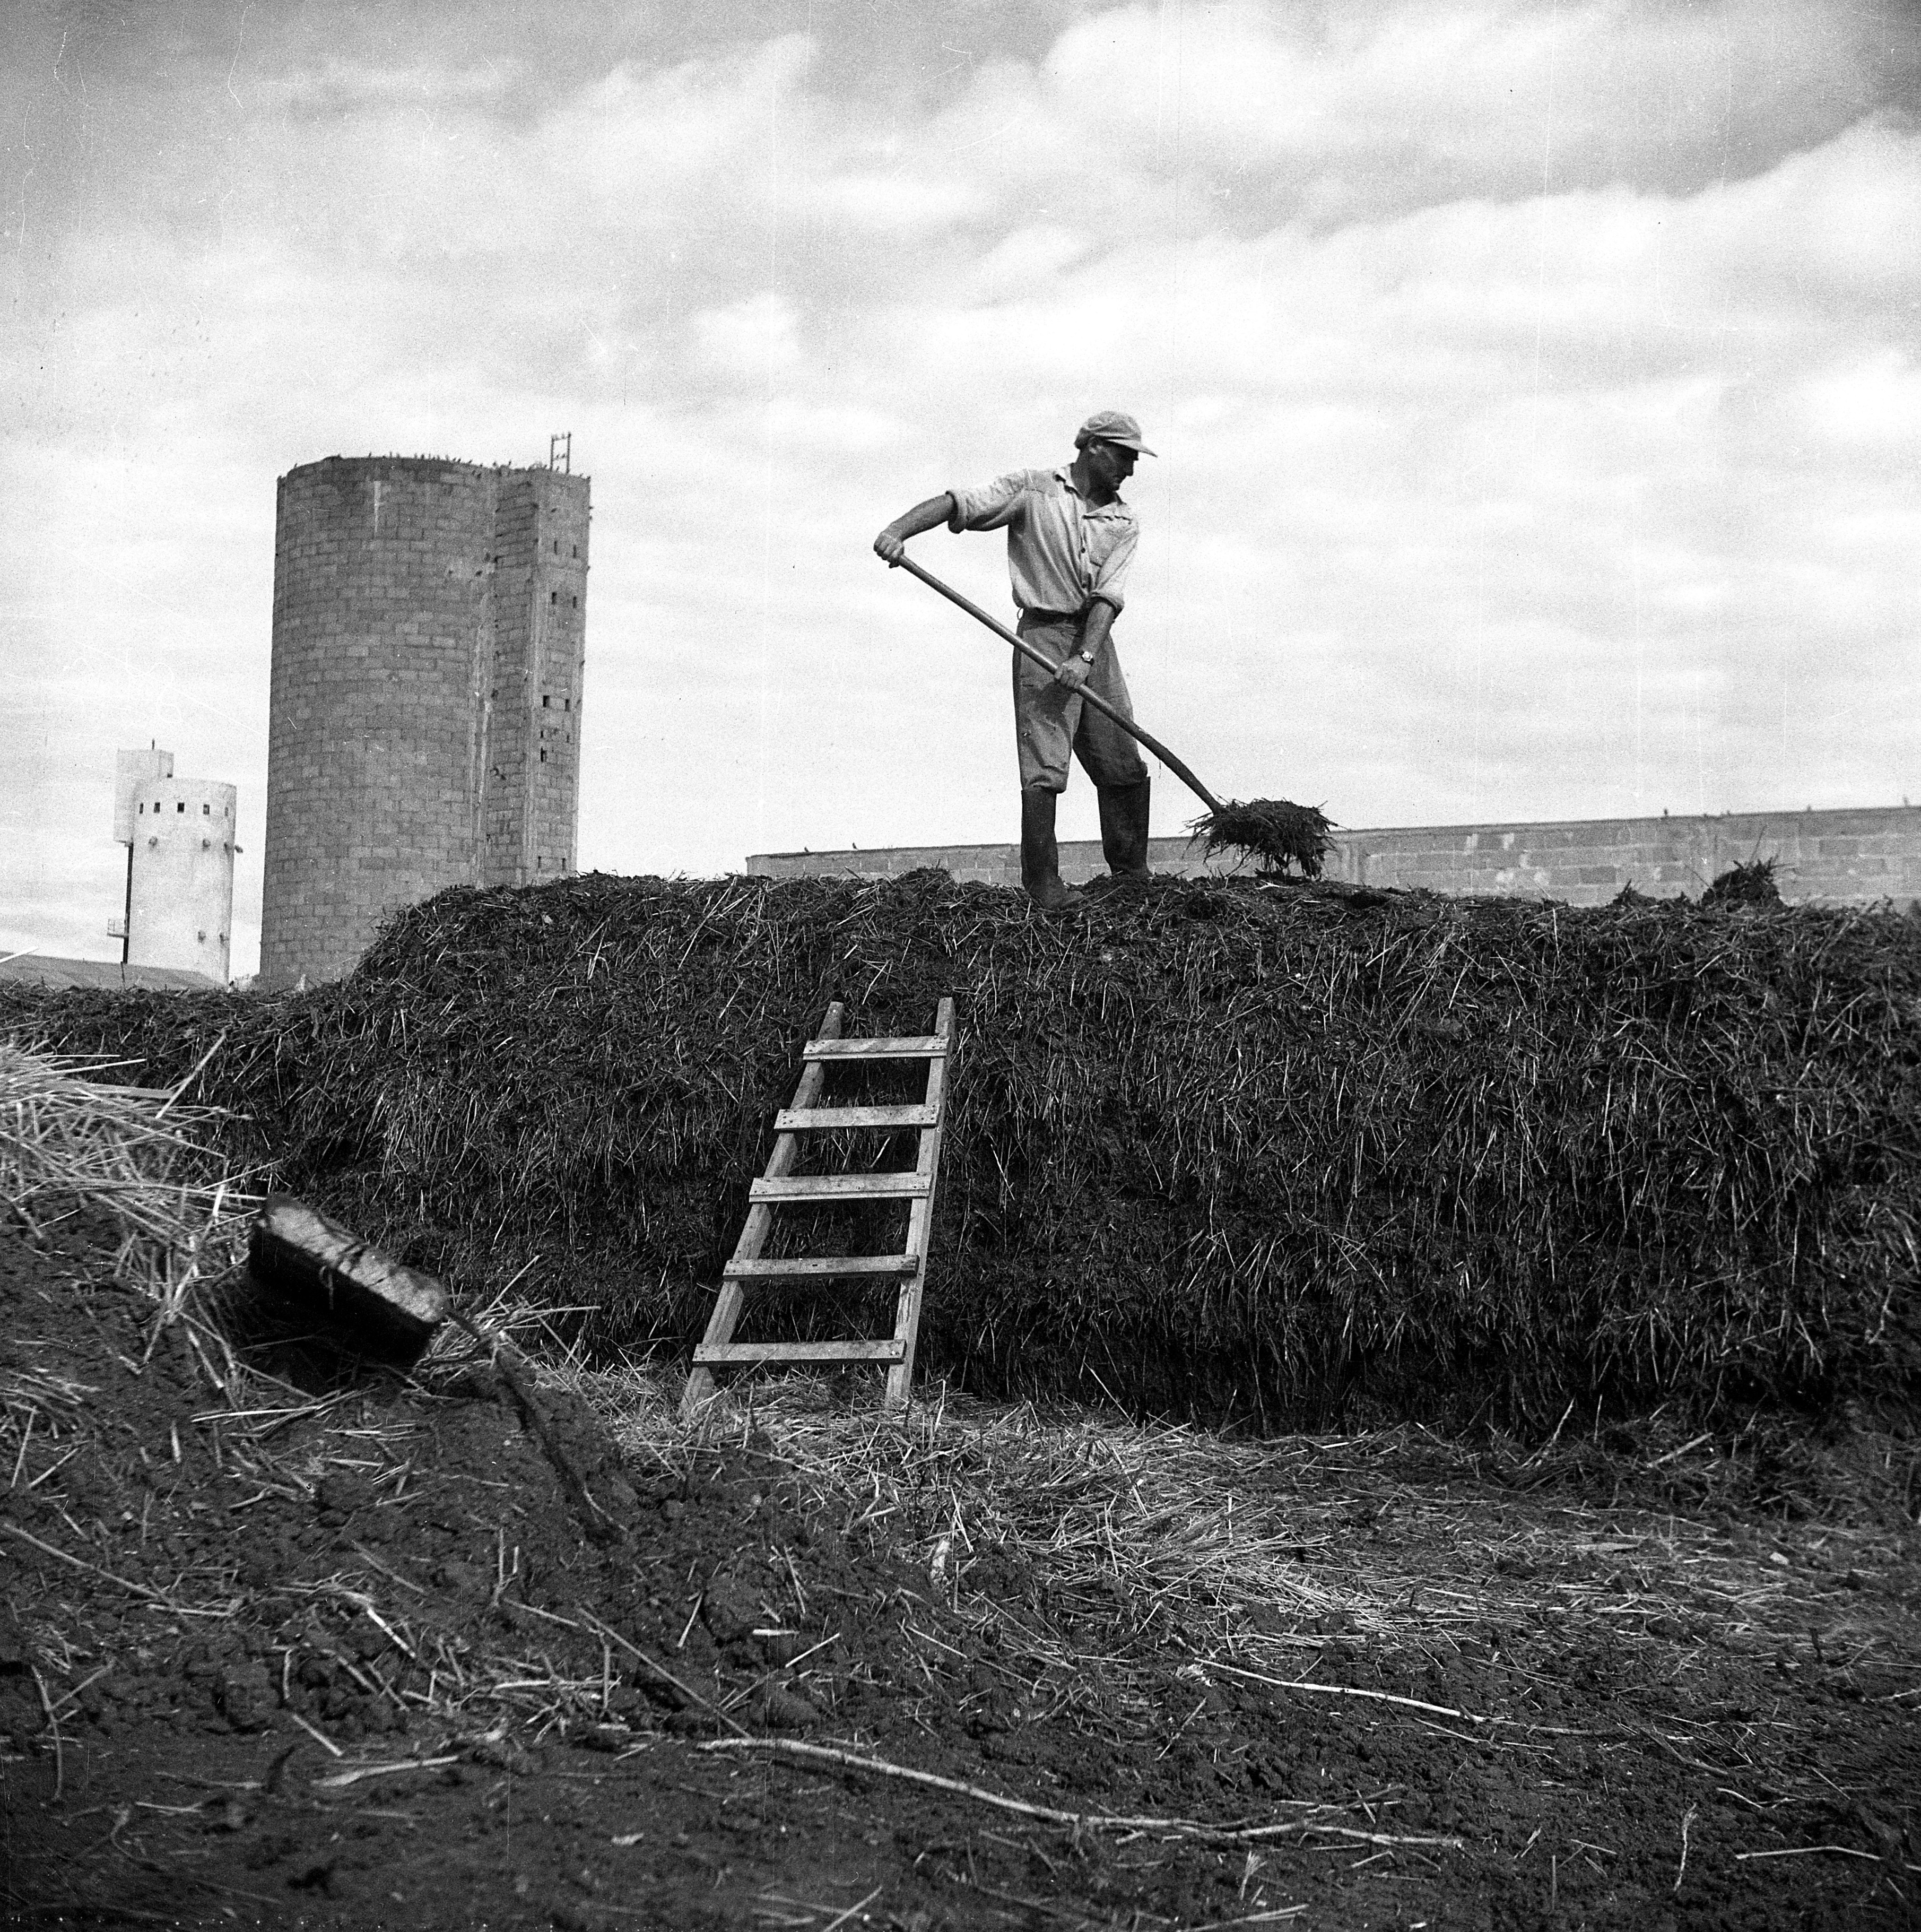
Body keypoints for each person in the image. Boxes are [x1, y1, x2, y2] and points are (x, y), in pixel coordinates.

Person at [873, 410, 1157, 911]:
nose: (1130, 469)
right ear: (1093, 447)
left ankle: (1132, 873)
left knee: (1122, 761)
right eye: (1124, 455)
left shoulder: (1123, 520)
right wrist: (898, 530)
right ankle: (1044, 883)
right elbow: (958, 503)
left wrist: (1086, 656)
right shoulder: (1034, 490)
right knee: (1044, 764)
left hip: (1095, 640)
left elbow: (1108, 597)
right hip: (1041, 637)